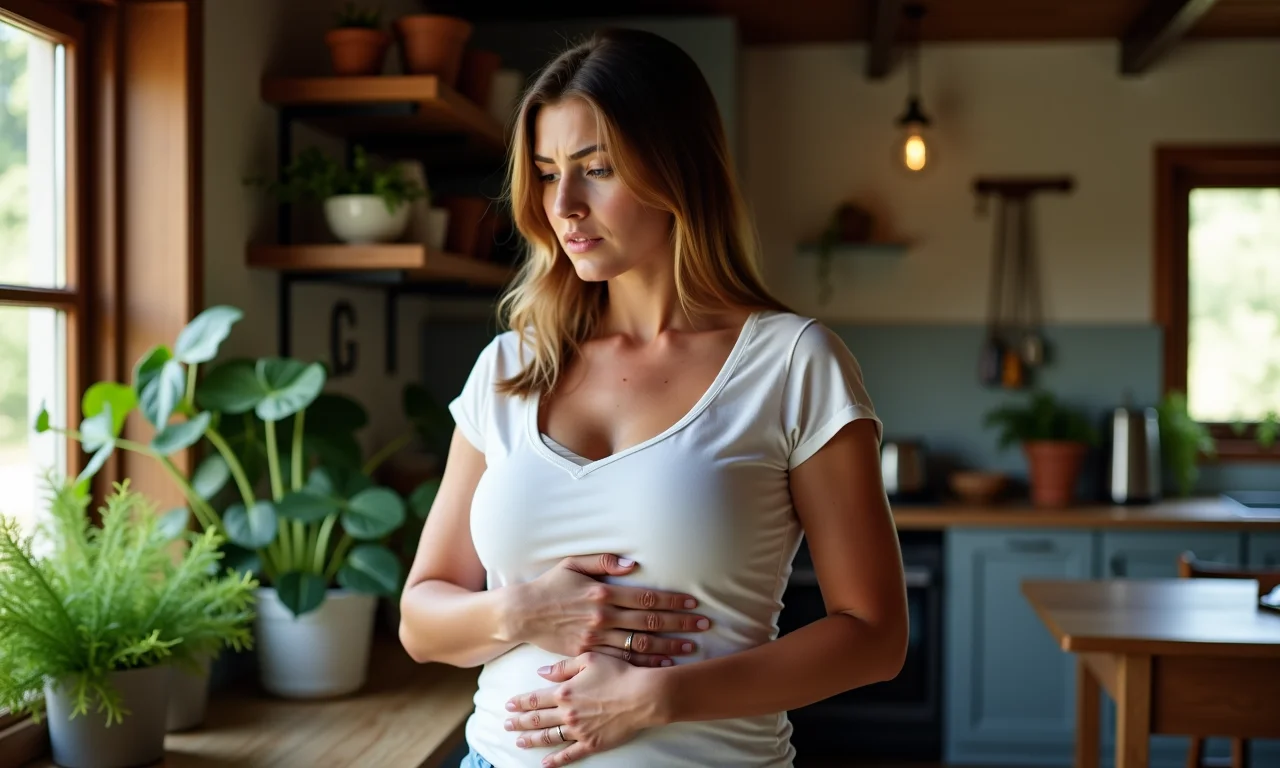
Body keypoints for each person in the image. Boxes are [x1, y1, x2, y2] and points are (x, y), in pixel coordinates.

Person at [398, 27, 909, 768]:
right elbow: (422, 617)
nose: (563, 204)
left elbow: (874, 635)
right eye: (545, 173)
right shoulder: (507, 369)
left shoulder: (792, 363)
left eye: (595, 168)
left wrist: (660, 698)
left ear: (678, 170)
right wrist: (520, 611)